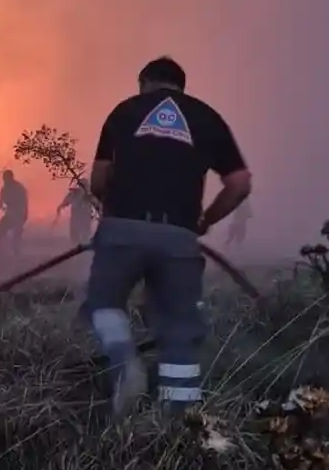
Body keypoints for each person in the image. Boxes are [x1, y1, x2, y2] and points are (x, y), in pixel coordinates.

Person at [84, 56, 252, 420]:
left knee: (103, 303)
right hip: (179, 236)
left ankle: (124, 360)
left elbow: (98, 181)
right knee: (179, 326)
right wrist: (205, 221)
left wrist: (113, 210)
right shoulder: (208, 118)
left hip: (122, 227)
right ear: (181, 85)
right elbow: (239, 184)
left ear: (144, 82)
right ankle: (178, 423)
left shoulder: (124, 112)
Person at [0, 169, 29, 255]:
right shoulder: (5, 188)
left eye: (6, 178)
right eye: (4, 179)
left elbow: (24, 202)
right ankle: (0, 250)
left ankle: (16, 253)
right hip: (11, 213)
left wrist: (25, 214)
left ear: (10, 178)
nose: (5, 180)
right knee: (0, 229)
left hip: (19, 214)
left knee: (16, 235)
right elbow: (1, 201)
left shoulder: (19, 188)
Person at [56, 178, 96, 245]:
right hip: (77, 218)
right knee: (76, 237)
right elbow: (66, 202)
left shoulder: (89, 195)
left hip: (84, 218)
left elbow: (96, 203)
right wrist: (60, 207)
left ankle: (83, 249)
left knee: (84, 236)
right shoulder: (74, 193)